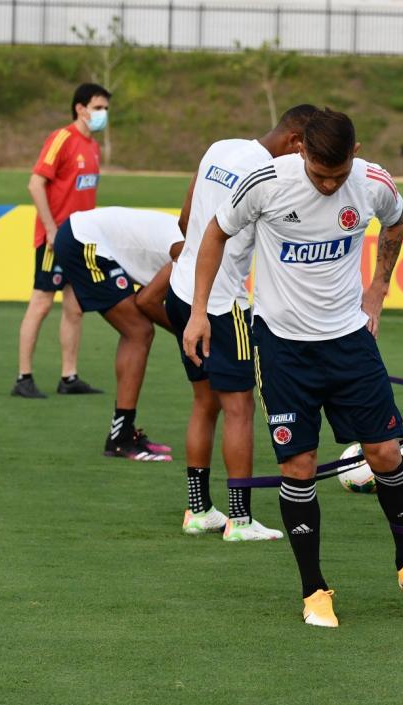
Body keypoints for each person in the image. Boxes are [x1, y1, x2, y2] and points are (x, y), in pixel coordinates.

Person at [182, 108, 403, 628]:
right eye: (319, 174)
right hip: (284, 349)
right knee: (298, 467)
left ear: (355, 154)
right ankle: (314, 591)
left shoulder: (372, 183)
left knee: (386, 452)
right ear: (301, 151)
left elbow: (396, 221)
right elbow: (212, 234)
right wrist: (199, 311)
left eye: (337, 175)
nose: (327, 185)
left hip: (349, 340)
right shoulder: (265, 182)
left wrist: (379, 285)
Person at [159, 105, 317, 542]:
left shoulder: (220, 147)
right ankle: (240, 519)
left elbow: (184, 219)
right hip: (221, 305)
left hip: (182, 291)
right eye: (308, 152)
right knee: (239, 408)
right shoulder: (270, 175)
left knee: (203, 403)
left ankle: (198, 511)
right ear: (295, 143)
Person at [51, 207, 182, 462]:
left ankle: (122, 432)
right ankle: (120, 438)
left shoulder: (198, 245)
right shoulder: (191, 253)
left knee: (139, 332)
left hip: (85, 235)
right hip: (84, 240)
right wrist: (187, 335)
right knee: (139, 331)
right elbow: (146, 301)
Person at [14, 83, 110, 399]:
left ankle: (69, 377)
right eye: (98, 108)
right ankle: (23, 377)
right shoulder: (62, 139)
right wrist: (51, 230)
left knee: (75, 307)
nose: (103, 114)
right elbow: (35, 184)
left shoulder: (93, 147)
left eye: (105, 109)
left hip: (79, 240)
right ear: (80, 108)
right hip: (55, 239)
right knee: (41, 303)